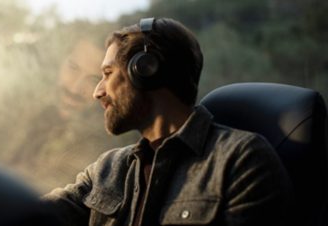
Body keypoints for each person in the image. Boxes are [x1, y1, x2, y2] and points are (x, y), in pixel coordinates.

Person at [43, 18, 292, 226]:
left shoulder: (241, 160)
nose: (97, 92)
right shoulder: (108, 169)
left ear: (146, 70)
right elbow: (32, 215)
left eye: (108, 74)